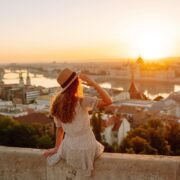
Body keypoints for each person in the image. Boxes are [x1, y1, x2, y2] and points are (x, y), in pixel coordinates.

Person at [43, 68, 112, 176]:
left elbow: (59, 129)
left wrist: (57, 148)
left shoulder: (56, 104)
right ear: (76, 84)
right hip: (86, 149)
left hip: (69, 149)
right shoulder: (81, 101)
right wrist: (93, 83)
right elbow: (108, 101)